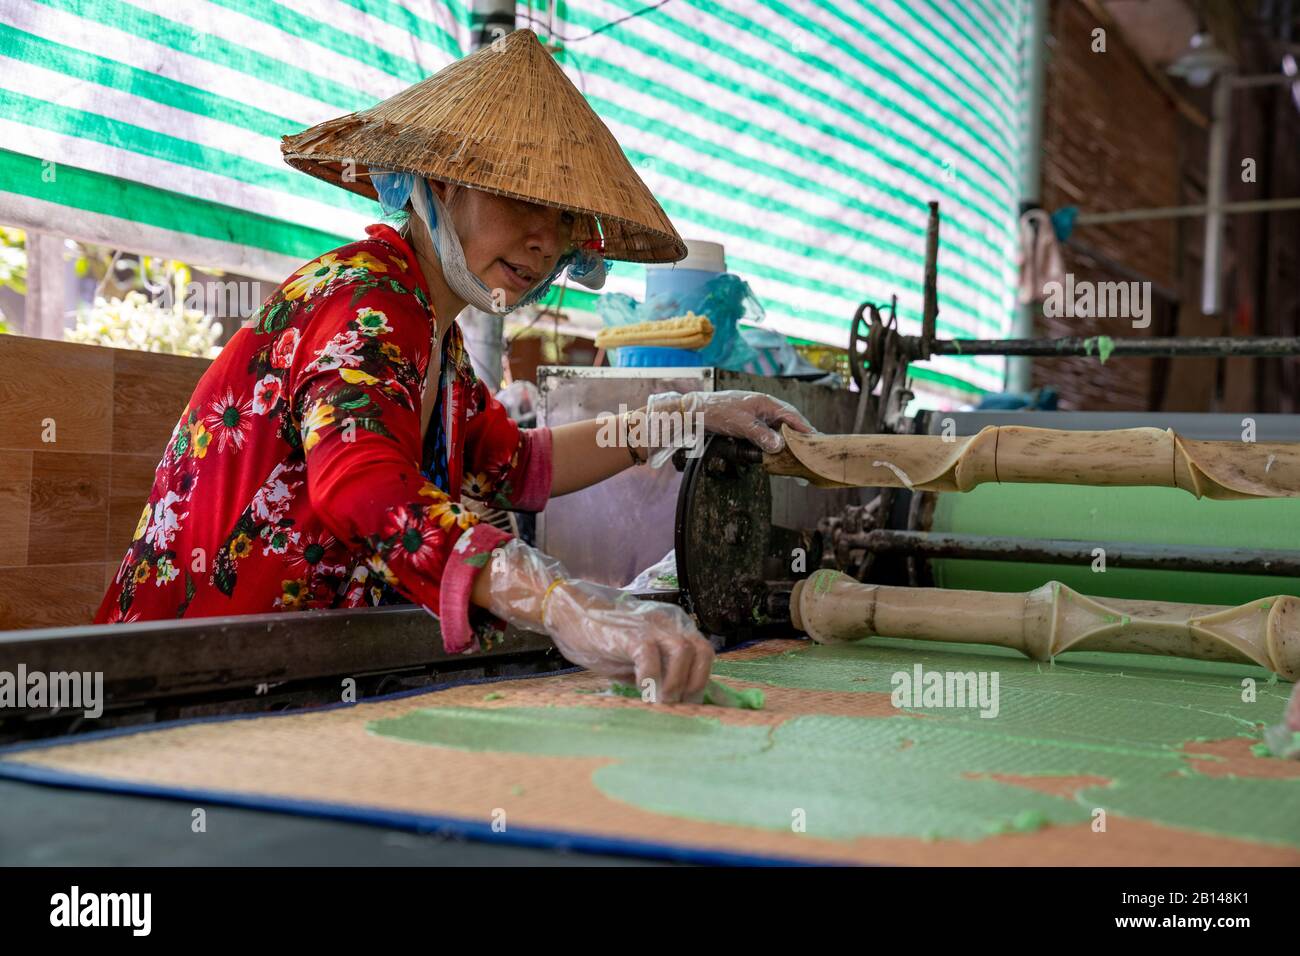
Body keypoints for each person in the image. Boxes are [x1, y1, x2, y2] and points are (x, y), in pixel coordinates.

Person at [95, 30, 814, 704]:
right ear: (442, 183)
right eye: (522, 199)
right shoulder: (366, 298)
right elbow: (361, 485)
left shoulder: (435, 336)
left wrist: (683, 416)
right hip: (181, 686)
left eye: (564, 222)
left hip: (282, 677)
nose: (542, 245)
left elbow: (517, 466)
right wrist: (562, 603)